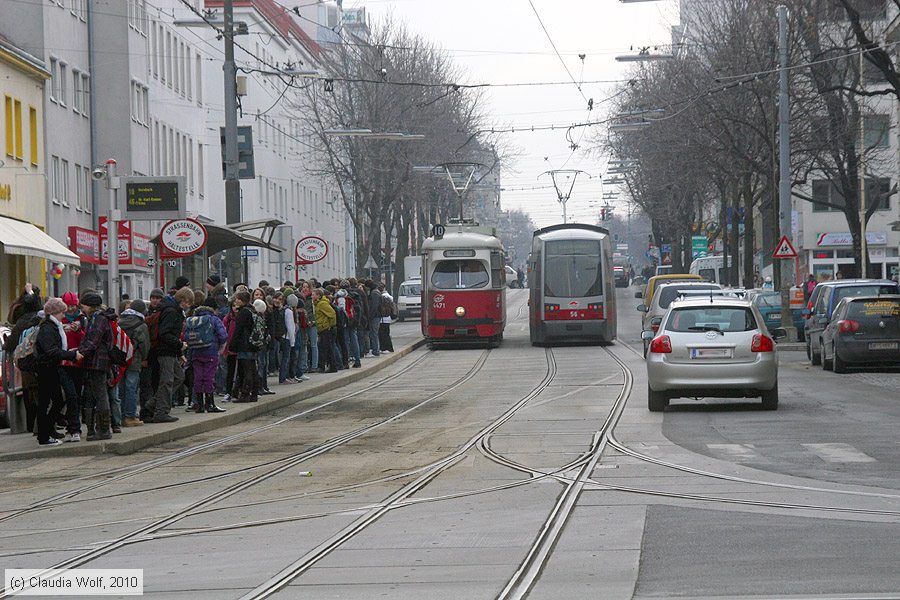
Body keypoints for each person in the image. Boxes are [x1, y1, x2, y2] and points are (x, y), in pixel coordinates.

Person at [33, 298, 83, 446]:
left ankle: (46, 432)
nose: (64, 315)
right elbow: (52, 351)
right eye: (62, 312)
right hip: (47, 368)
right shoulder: (48, 328)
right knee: (49, 402)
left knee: (53, 401)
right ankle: (44, 435)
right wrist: (71, 355)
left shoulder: (52, 326)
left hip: (49, 368)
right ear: (55, 312)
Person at [146, 287, 193, 423]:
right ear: (183, 300)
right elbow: (165, 333)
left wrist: (179, 352)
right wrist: (179, 346)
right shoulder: (172, 311)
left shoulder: (173, 310)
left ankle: (152, 405)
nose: (188, 306)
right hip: (165, 351)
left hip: (170, 350)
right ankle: (161, 411)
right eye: (188, 302)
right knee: (167, 381)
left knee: (179, 376)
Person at [78, 291, 113, 441]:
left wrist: (81, 353)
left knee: (100, 394)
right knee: (92, 395)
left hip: (98, 362)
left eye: (83, 305)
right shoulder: (93, 318)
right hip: (94, 361)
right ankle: (94, 429)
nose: (82, 309)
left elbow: (93, 340)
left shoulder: (98, 319)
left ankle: (104, 429)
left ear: (90, 305)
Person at [184, 302, 228, 413]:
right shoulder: (214, 319)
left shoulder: (192, 320)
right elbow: (223, 335)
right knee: (209, 377)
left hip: (195, 353)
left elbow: (185, 336)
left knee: (198, 378)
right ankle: (210, 404)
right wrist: (219, 345)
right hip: (211, 352)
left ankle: (199, 404)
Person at [60, 291, 87, 442]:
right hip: (63, 362)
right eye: (68, 306)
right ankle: (72, 427)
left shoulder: (82, 319)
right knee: (70, 395)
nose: (70, 309)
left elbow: (85, 339)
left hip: (78, 362)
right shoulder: (58, 320)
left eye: (73, 306)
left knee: (76, 395)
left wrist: (78, 331)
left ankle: (74, 428)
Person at [118, 299, 149, 427]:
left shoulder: (119, 322)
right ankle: (130, 416)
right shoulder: (141, 325)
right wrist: (144, 358)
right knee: (132, 388)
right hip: (134, 359)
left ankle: (120, 415)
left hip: (119, 359)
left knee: (121, 388)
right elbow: (144, 345)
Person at [229, 292, 259, 403]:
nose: (235, 301)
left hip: (244, 344)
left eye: (237, 299)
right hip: (252, 344)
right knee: (252, 369)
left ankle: (245, 394)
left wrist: (232, 344)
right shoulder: (252, 310)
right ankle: (254, 393)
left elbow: (238, 330)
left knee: (246, 370)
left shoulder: (243, 313)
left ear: (242, 300)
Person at [313, 287, 338, 373]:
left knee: (325, 348)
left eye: (313, 295)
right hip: (322, 328)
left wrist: (330, 325)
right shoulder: (318, 303)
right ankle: (332, 366)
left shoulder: (322, 304)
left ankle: (323, 366)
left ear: (318, 295)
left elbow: (332, 314)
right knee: (327, 348)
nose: (312, 296)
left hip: (325, 329)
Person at [366, 280, 382, 356]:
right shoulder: (377, 291)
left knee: (374, 333)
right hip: (377, 315)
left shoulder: (374, 293)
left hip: (375, 316)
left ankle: (375, 350)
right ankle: (375, 350)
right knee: (374, 333)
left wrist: (370, 316)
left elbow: (374, 306)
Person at [378, 284, 395, 353]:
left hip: (382, 319)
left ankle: (384, 348)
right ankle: (390, 348)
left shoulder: (381, 297)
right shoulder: (390, 297)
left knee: (382, 334)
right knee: (387, 333)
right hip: (388, 318)